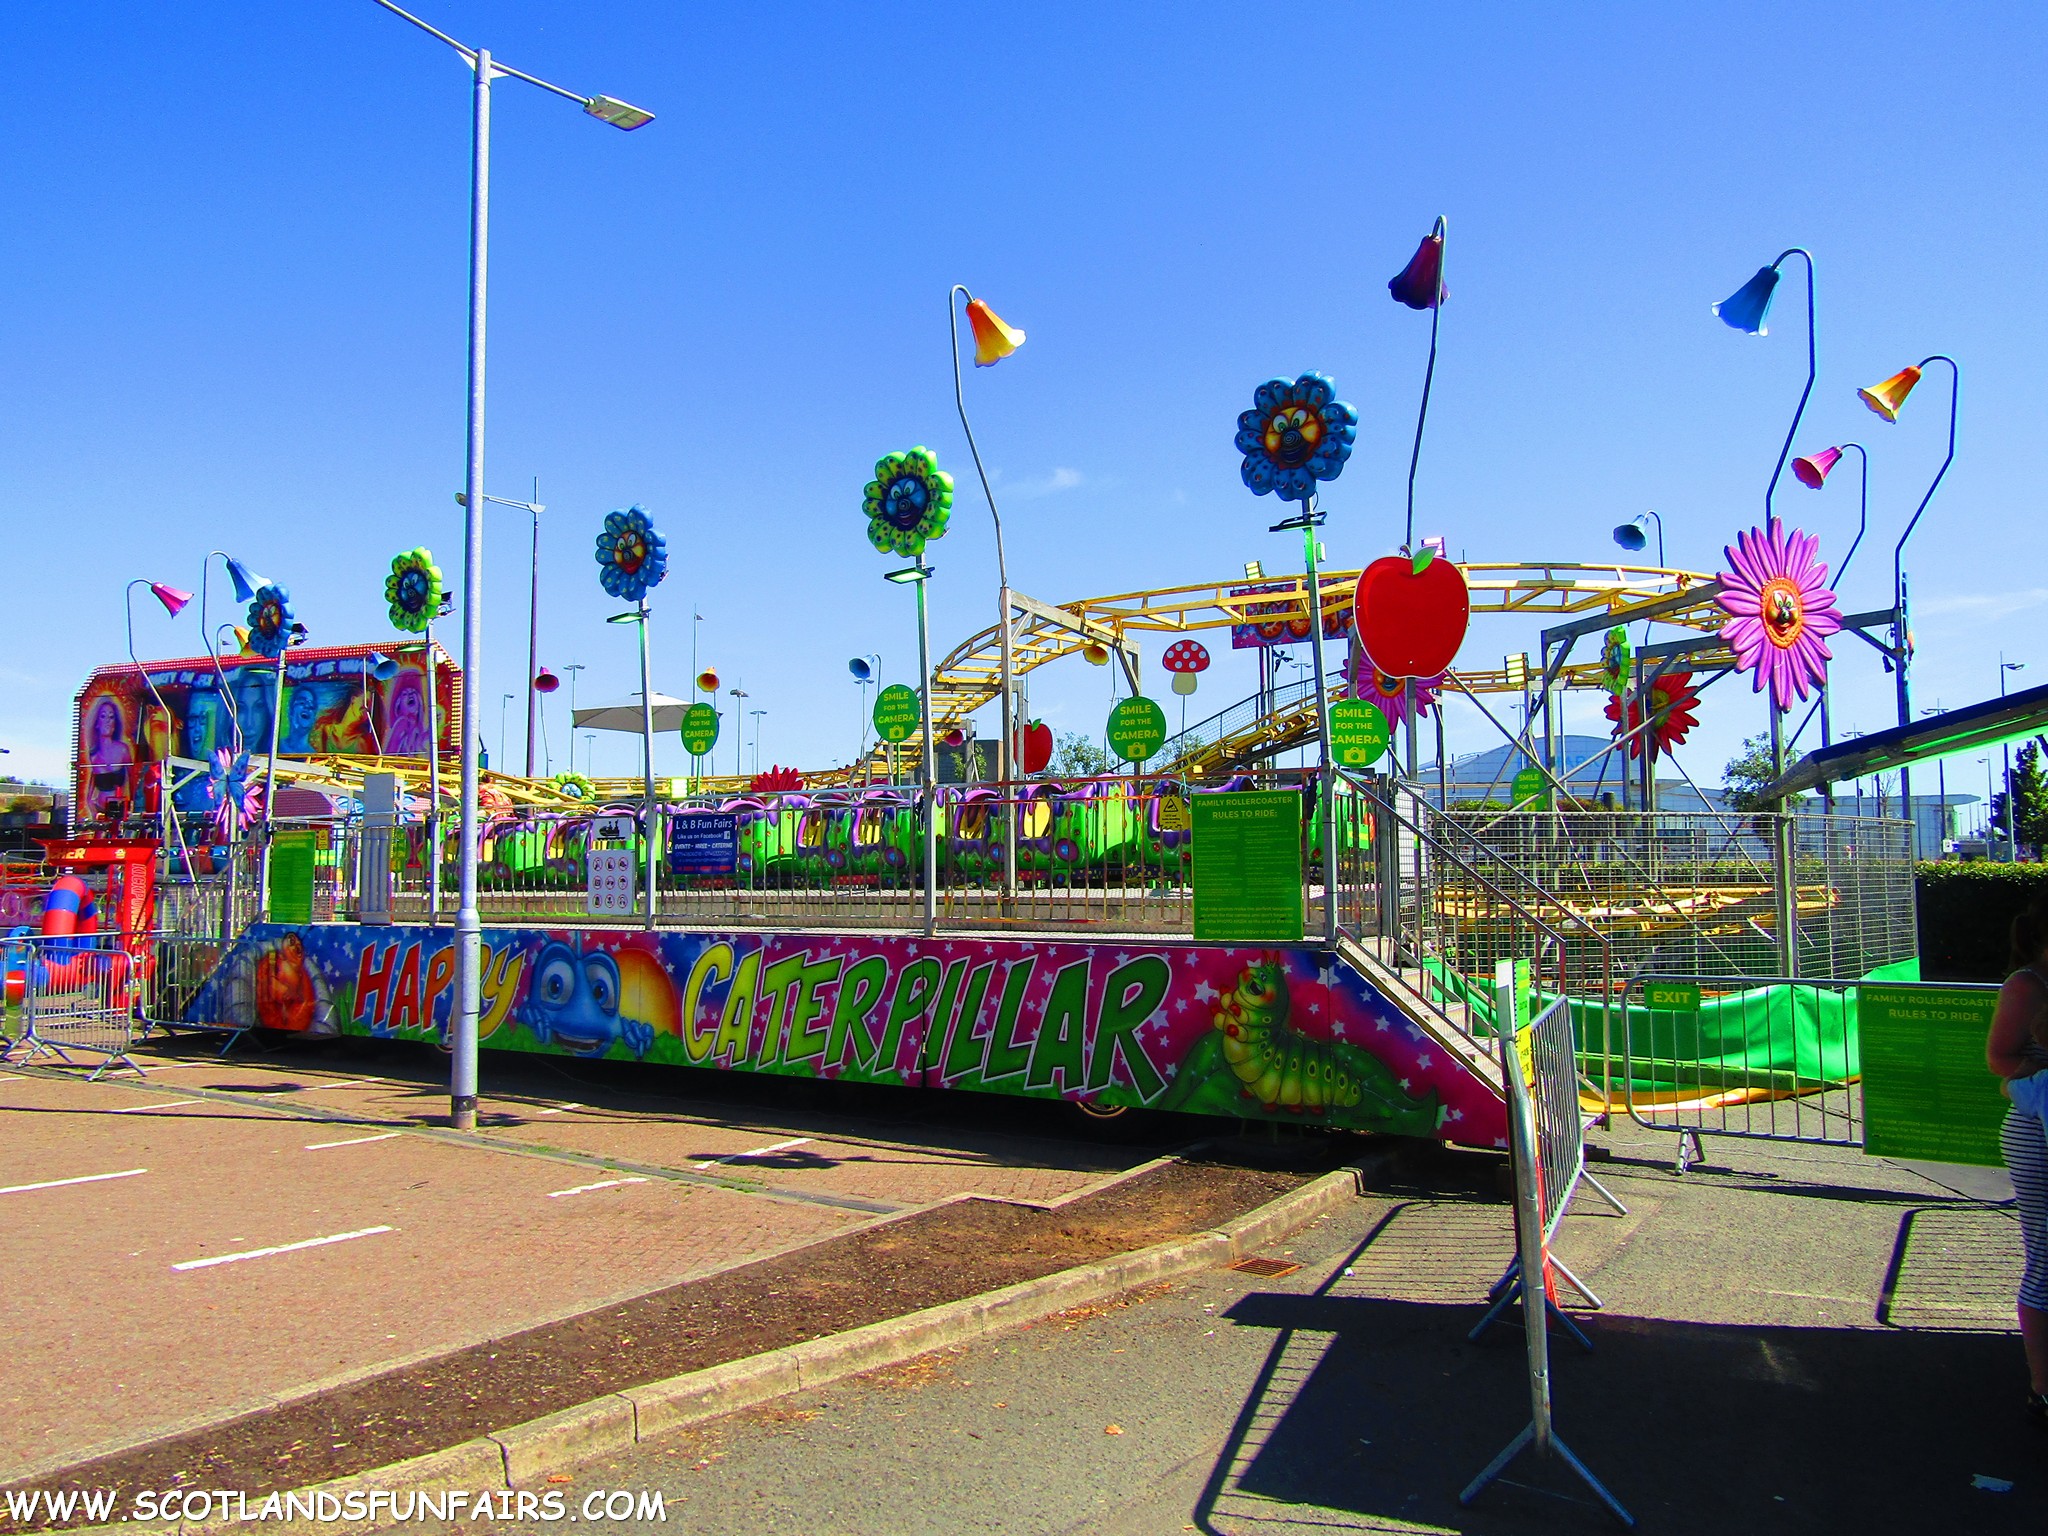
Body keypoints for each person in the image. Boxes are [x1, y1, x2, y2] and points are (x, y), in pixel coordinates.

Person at [1988, 893, 2048, 1423]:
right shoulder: (2029, 985)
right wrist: (2036, 1076)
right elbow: (2000, 1061)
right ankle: (2043, 1386)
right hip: (2037, 1133)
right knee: (2047, 1257)